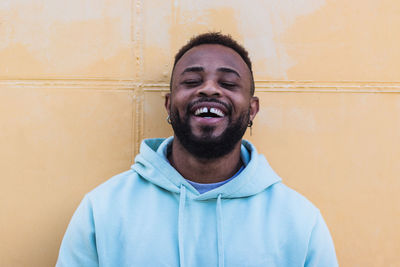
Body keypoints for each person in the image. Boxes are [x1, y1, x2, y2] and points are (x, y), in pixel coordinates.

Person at [56, 32, 338, 267]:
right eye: (192, 81)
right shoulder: (103, 210)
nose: (210, 90)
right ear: (169, 104)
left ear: (252, 110)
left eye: (228, 83)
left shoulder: (299, 220)